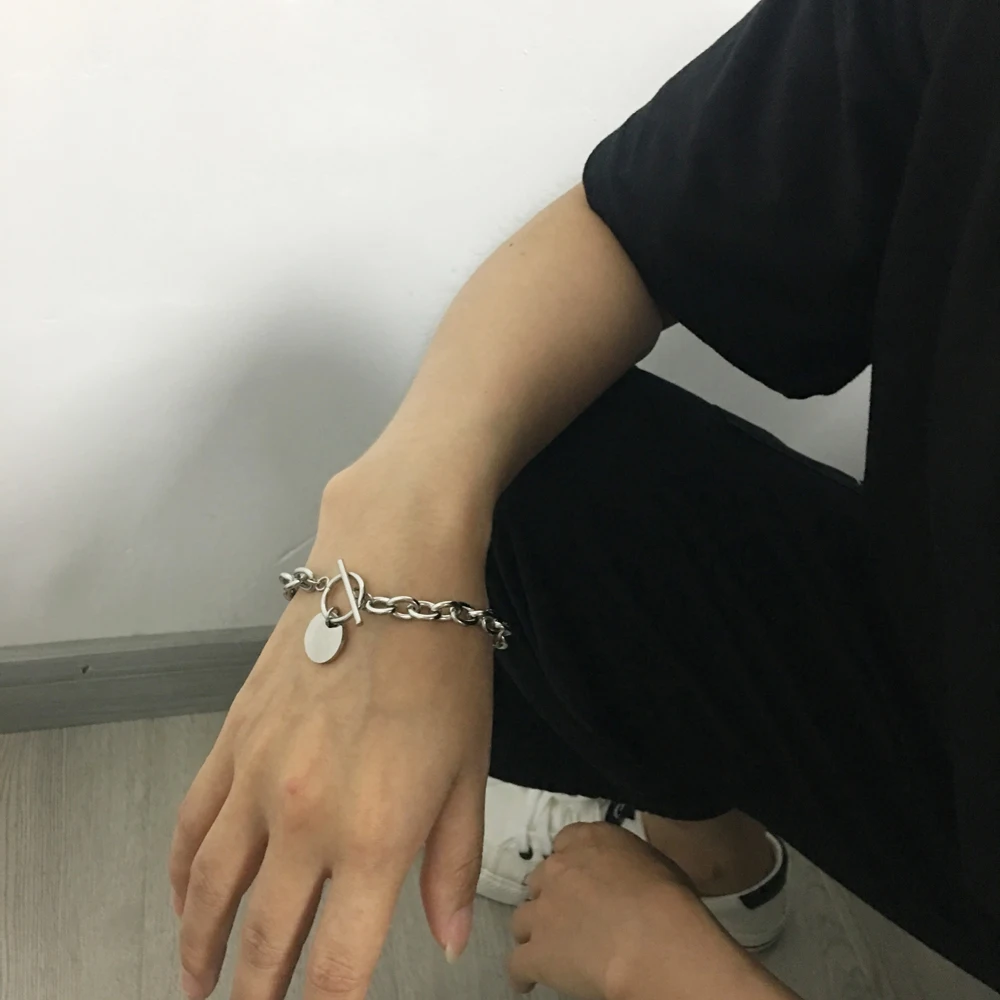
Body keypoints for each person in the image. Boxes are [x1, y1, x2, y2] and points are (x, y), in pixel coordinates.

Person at [167, 0, 1000, 996]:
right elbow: (628, 232)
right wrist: (386, 531)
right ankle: (718, 873)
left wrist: (669, 971)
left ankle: (690, 918)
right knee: (535, 460)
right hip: (948, 656)